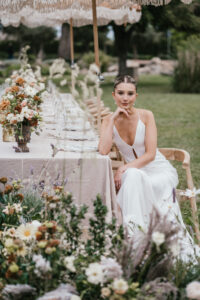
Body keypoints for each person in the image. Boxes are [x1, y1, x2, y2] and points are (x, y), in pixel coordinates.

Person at [98, 74, 199, 260]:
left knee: (133, 176)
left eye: (130, 93)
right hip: (134, 172)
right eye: (120, 93)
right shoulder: (107, 121)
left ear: (136, 96)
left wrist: (122, 168)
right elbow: (103, 150)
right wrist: (111, 120)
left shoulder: (146, 116)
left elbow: (151, 154)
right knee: (135, 177)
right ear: (113, 95)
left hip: (158, 171)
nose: (125, 98)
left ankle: (141, 240)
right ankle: (137, 239)